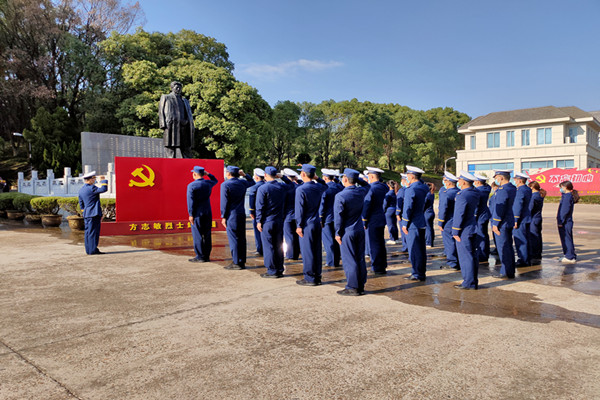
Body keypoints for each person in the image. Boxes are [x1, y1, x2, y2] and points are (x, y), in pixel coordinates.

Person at [334, 168, 368, 296]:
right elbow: (367, 185)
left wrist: (337, 233)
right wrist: (355, 178)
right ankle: (360, 285)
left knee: (350, 260)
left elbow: (339, 217)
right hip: (359, 228)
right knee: (359, 258)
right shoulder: (360, 192)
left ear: (345, 179)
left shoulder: (341, 195)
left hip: (347, 231)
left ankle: (352, 286)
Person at [295, 164, 328, 286]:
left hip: (306, 224)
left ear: (303, 174)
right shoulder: (318, 187)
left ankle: (309, 277)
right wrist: (317, 178)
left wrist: (299, 225)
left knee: (307, 251)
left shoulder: (301, 189)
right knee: (316, 250)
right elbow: (325, 185)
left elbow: (300, 210)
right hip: (316, 222)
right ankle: (317, 275)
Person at [221, 166, 255, 270]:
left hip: (231, 214)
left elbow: (224, 202)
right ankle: (242, 261)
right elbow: (252, 182)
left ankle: (236, 262)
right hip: (241, 213)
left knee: (233, 239)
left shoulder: (225, 184)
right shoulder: (242, 182)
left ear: (228, 173)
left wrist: (223, 216)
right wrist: (245, 175)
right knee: (241, 238)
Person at [256, 167, 287, 278]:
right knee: (278, 245)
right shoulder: (282, 186)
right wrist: (282, 177)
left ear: (265, 175)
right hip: (279, 220)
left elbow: (260, 206)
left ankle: (272, 270)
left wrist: (258, 220)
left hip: (267, 221)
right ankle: (279, 268)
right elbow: (292, 185)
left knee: (269, 246)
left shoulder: (263, 188)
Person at [452, 171, 480, 290]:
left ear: (463, 182)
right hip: (472, 226)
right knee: (472, 256)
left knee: (465, 257)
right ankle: (473, 281)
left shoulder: (462, 195)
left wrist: (455, 231)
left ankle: (468, 283)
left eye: (459, 180)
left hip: (464, 229)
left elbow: (459, 214)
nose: (458, 182)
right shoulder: (475, 192)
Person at [401, 166, 429, 281]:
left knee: (414, 250)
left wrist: (404, 223)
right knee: (421, 249)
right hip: (420, 220)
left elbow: (408, 208)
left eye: (407, 175)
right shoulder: (423, 187)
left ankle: (417, 273)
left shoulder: (411, 189)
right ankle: (421, 272)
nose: (407, 177)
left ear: (411, 176)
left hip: (412, 224)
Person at [187, 166, 218, 262]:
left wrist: (191, 214)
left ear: (195, 174)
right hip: (207, 212)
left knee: (197, 234)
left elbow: (190, 201)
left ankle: (200, 256)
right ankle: (206, 255)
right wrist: (209, 174)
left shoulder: (192, 185)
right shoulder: (208, 183)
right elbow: (215, 180)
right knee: (207, 234)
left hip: (197, 213)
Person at [491, 170, 517, 279]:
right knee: (508, 247)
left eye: (496, 177)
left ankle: (505, 271)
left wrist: (495, 223)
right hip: (509, 220)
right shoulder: (512, 188)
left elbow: (500, 208)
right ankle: (510, 270)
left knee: (503, 248)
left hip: (502, 223)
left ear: (501, 178)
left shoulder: (502, 190)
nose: (496, 180)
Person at [363, 167, 388, 275]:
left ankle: (376, 267)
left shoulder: (371, 188)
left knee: (374, 245)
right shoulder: (384, 187)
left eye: (368, 176)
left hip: (372, 219)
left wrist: (364, 220)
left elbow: (367, 205)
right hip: (381, 218)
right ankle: (382, 265)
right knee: (380, 243)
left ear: (372, 176)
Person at [159, 81, 194, 158]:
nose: (178, 89)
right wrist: (163, 124)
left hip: (183, 125)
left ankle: (187, 161)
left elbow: (188, 112)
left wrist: (188, 122)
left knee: (185, 145)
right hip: (171, 124)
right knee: (170, 145)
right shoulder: (166, 97)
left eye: (180, 87)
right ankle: (170, 160)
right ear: (172, 88)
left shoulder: (184, 100)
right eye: (176, 87)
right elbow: (161, 111)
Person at [78, 171, 108, 255]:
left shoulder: (81, 190)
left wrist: (84, 212)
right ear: (90, 180)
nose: (94, 180)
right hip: (93, 214)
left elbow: (81, 203)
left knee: (88, 232)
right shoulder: (91, 188)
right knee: (93, 232)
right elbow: (103, 189)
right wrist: (103, 181)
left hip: (87, 214)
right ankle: (93, 250)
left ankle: (89, 249)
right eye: (94, 178)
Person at [320, 169, 343, 268]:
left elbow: (322, 205)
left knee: (328, 241)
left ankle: (331, 262)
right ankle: (336, 260)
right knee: (336, 240)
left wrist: (320, 218)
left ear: (325, 177)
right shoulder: (339, 187)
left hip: (327, 218)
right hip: (337, 217)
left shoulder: (325, 189)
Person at [438, 172, 460, 270]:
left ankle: (452, 263)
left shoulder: (447, 194)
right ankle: (457, 260)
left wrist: (440, 222)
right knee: (456, 242)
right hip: (457, 221)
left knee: (449, 242)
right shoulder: (459, 192)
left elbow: (443, 210)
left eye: (445, 181)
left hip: (448, 221)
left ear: (449, 182)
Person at [513, 172, 532, 267]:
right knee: (527, 239)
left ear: (520, 180)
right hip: (526, 218)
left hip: (521, 219)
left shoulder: (520, 190)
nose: (514, 181)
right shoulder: (527, 189)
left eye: (515, 179)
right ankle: (527, 258)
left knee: (520, 240)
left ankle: (523, 260)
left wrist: (515, 219)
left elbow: (518, 205)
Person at [557, 180, 579, 264]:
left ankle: (569, 257)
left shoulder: (567, 197)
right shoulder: (567, 195)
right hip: (567, 221)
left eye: (561, 187)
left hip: (565, 222)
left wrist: (560, 221)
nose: (560, 189)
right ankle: (569, 255)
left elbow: (564, 211)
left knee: (566, 239)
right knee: (567, 238)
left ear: (565, 187)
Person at [282, 168, 301, 260]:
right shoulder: (298, 187)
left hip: (288, 215)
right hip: (297, 215)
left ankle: (290, 255)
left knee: (289, 236)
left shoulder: (285, 188)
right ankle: (296, 253)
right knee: (296, 236)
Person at [473, 174, 492, 262]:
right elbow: (487, 185)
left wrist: (474, 215)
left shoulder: (477, 191)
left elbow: (476, 205)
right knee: (484, 234)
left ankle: (482, 255)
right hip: (485, 214)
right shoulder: (486, 189)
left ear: (477, 182)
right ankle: (485, 252)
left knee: (480, 235)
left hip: (479, 215)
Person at [247, 168, 266, 256]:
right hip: (267, 212)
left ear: (257, 177)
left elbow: (252, 201)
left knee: (257, 232)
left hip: (257, 212)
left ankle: (259, 249)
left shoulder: (254, 187)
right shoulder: (266, 185)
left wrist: (251, 211)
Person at [528, 181, 546, 264]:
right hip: (538, 218)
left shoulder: (533, 196)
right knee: (538, 236)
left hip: (533, 219)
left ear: (532, 187)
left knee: (533, 236)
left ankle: (534, 254)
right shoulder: (539, 195)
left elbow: (530, 209)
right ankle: (538, 253)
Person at [396, 174, 409, 251]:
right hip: (406, 213)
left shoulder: (402, 190)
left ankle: (405, 246)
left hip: (402, 214)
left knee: (403, 230)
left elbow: (399, 203)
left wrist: (397, 213)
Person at [384, 180, 399, 245]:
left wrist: (383, 210)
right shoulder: (395, 192)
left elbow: (385, 204)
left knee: (390, 225)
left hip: (389, 210)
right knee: (394, 224)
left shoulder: (388, 194)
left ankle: (392, 238)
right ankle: (396, 237)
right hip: (394, 209)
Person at [424, 182, 436, 248]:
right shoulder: (432, 194)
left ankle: (428, 242)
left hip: (427, 213)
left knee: (428, 228)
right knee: (430, 228)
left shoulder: (427, 195)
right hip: (431, 212)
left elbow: (424, 204)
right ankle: (431, 241)